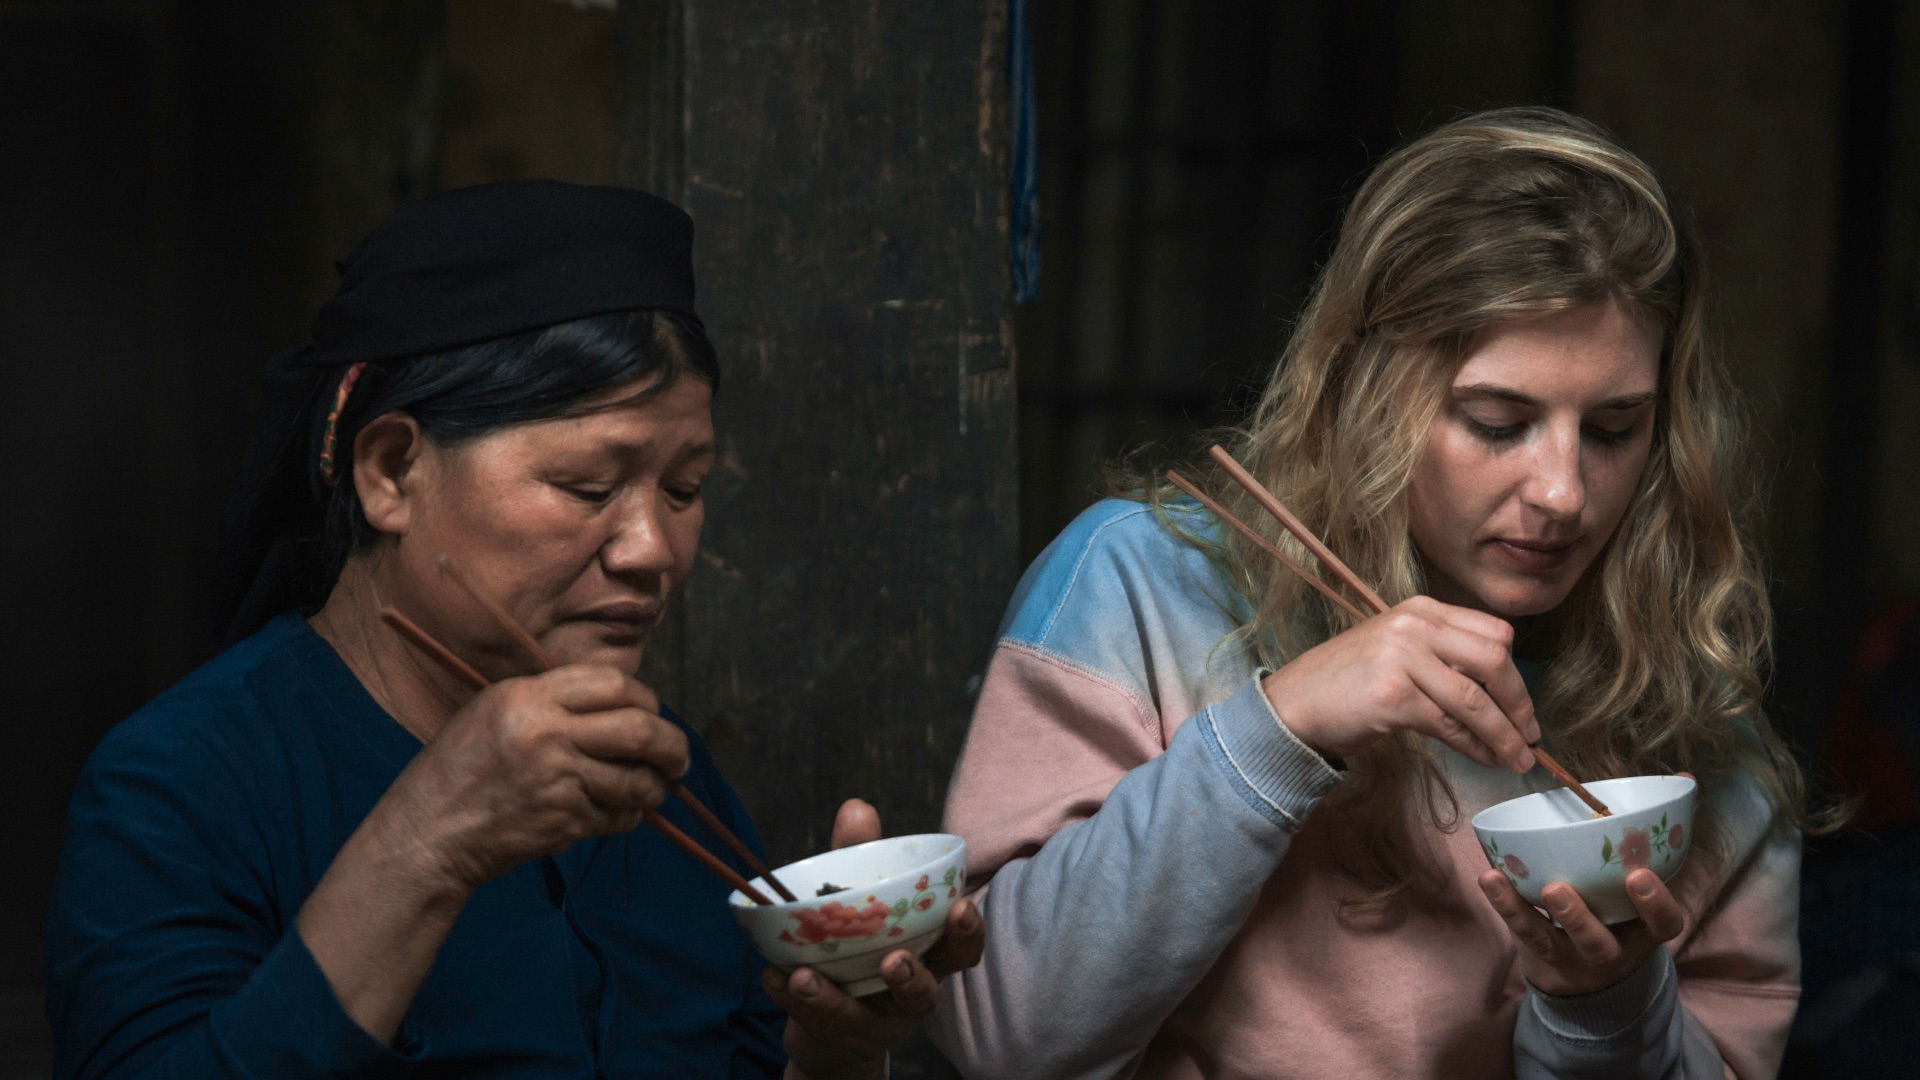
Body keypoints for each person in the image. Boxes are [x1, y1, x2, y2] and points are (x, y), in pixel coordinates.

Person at [929, 107, 1824, 1079]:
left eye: (1613, 430)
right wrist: (1283, 725)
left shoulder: (1690, 713)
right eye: (1497, 421)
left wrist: (1605, 1011)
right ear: (1366, 386)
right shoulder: (1142, 587)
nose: (1564, 493)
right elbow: (999, 1039)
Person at [45, 180, 981, 1080]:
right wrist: (429, 841)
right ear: (392, 471)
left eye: (685, 489)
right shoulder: (184, 783)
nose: (652, 549)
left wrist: (837, 1057)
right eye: (587, 487)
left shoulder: (662, 775)